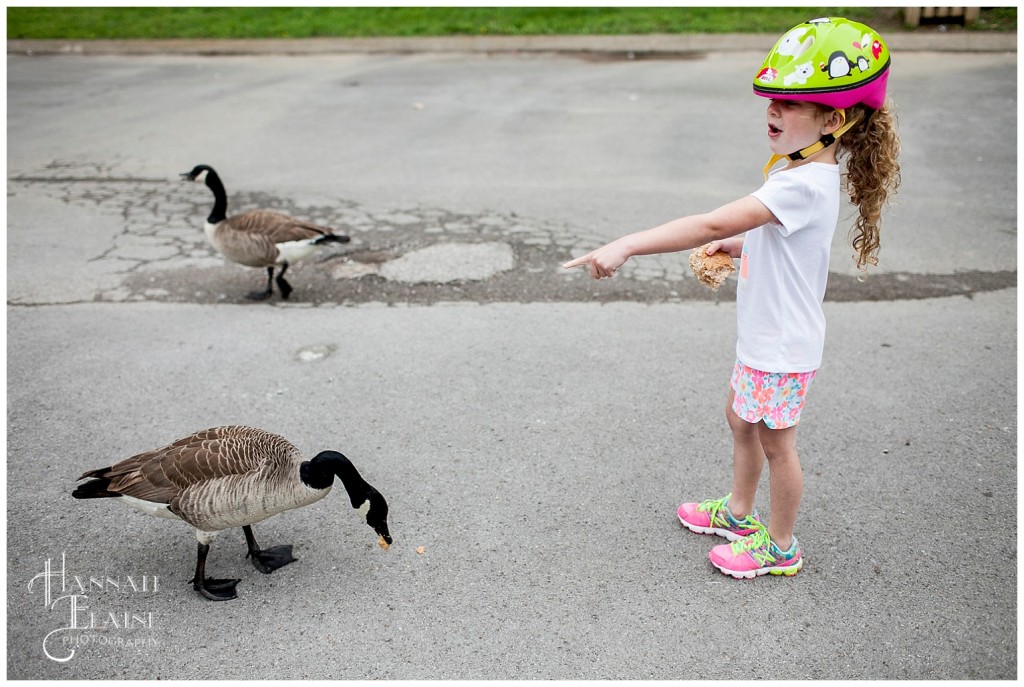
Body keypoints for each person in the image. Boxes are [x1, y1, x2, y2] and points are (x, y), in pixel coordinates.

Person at [563, 17, 900, 578]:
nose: (773, 110)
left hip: (783, 346)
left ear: (834, 119)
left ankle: (781, 545)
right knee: (740, 419)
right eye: (772, 99)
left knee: (776, 444)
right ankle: (740, 513)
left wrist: (626, 245)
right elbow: (782, 241)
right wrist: (741, 244)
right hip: (764, 337)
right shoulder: (800, 174)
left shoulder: (799, 184)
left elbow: (705, 221)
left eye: (791, 104)